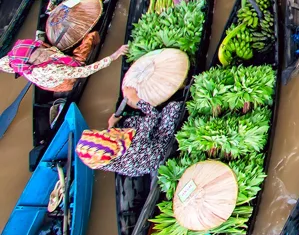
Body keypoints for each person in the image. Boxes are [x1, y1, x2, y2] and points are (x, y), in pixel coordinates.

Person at [76, 100, 186, 176]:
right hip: (160, 148)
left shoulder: (103, 161)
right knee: (173, 107)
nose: (104, 132)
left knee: (129, 122)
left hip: (142, 162)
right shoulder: (134, 143)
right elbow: (154, 115)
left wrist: (111, 125)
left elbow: (109, 145)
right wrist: (137, 100)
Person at [0, 38, 128, 93]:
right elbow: (85, 71)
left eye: (39, 52)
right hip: (62, 81)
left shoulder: (15, 59)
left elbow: (4, 64)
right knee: (91, 37)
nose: (42, 56)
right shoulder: (50, 69)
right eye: (37, 59)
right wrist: (115, 55)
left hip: (47, 82)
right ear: (31, 64)